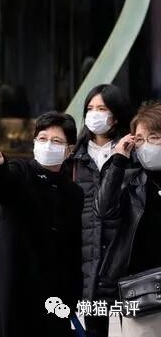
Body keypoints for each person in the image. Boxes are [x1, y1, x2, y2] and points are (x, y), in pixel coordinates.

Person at [0, 111, 83, 337]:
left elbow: (73, 248)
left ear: (69, 150)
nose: (48, 145)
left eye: (56, 141)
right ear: (34, 142)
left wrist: (72, 297)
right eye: (42, 138)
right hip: (10, 286)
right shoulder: (20, 172)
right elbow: (3, 183)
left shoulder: (74, 193)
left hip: (51, 295)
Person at [70, 84, 131, 337]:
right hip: (88, 255)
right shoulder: (74, 157)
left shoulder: (132, 152)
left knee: (135, 326)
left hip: (124, 255)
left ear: (115, 116)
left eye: (102, 108)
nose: (94, 114)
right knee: (94, 328)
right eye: (90, 108)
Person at [95, 101, 161, 336]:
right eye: (140, 139)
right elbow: (103, 210)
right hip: (142, 294)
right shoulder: (129, 180)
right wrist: (118, 159)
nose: (146, 145)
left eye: (154, 137)